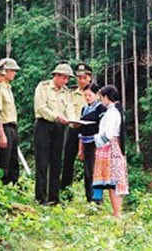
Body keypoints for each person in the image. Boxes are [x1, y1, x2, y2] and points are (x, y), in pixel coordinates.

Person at [33, 63, 75, 205]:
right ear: (56, 76)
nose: (66, 81)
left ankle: (54, 197)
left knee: (57, 162)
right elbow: (41, 107)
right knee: (42, 162)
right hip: (44, 125)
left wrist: (73, 121)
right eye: (64, 78)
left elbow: (69, 108)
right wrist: (56, 116)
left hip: (60, 127)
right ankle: (41, 197)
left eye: (67, 79)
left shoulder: (66, 92)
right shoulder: (43, 87)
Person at [91, 85, 129, 217]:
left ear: (106, 98)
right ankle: (116, 213)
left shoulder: (113, 113)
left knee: (114, 182)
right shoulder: (113, 111)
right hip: (109, 146)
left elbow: (108, 133)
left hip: (110, 147)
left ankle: (117, 213)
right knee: (111, 181)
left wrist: (95, 139)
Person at [60, 62, 93, 193]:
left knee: (90, 164)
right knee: (68, 160)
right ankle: (65, 191)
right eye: (79, 77)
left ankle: (92, 195)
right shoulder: (71, 93)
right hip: (73, 128)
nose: (82, 80)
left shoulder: (95, 93)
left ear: (90, 78)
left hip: (89, 131)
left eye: (84, 77)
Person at [76, 82, 106, 202]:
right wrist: (80, 148)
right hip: (86, 143)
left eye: (90, 95)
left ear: (97, 95)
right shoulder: (84, 109)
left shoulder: (101, 108)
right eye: (86, 96)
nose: (87, 98)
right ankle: (89, 199)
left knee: (96, 173)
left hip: (97, 144)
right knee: (88, 173)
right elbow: (81, 131)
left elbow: (103, 128)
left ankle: (98, 199)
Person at [0, 58, 21, 185]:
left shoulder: (8, 88)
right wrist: (2, 134)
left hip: (12, 126)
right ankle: (3, 184)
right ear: (5, 71)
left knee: (13, 159)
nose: (14, 73)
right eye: (12, 70)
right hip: (4, 126)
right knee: (4, 159)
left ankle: (14, 184)